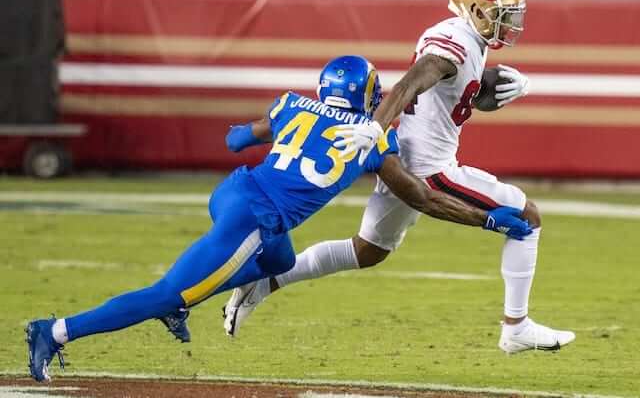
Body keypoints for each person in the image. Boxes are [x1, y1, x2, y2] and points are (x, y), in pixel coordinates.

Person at [26, 55, 530, 383]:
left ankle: (193, 294)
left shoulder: (292, 105)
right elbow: (419, 197)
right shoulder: (374, 138)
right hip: (256, 220)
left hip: (233, 193)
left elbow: (236, 139)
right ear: (369, 94)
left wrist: (261, 130)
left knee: (282, 260)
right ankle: (57, 330)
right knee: (167, 293)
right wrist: (487, 220)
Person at [221, 0, 576, 354]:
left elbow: (453, 94)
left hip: (405, 157)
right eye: (500, 15)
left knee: (367, 251)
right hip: (431, 170)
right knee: (528, 217)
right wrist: (375, 126)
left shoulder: (464, 38)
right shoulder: (454, 45)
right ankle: (517, 326)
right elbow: (410, 84)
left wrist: (501, 88)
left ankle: (264, 283)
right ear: (475, 10)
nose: (509, 24)